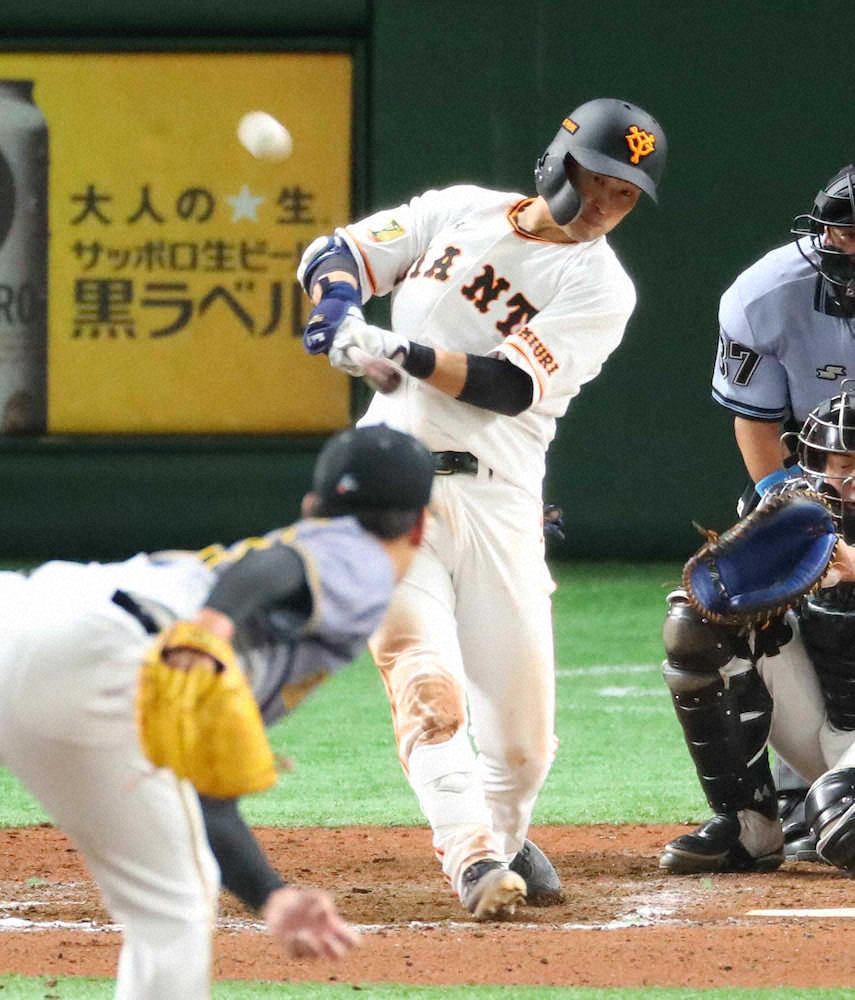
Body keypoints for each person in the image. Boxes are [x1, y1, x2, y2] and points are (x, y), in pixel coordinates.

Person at [298, 97, 668, 918]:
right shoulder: (458, 211)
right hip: (390, 496)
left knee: (523, 748)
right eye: (599, 179)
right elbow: (339, 252)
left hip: (498, 501)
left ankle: (501, 839)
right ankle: (471, 858)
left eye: (626, 194)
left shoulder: (599, 286)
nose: (607, 204)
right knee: (425, 683)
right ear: (559, 162)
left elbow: (504, 385)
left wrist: (395, 349)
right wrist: (336, 311)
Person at [0, 424, 434, 999]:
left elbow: (200, 790)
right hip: (105, 652)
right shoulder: (365, 557)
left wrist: (269, 894)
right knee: (172, 911)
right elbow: (279, 565)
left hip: (27, 605)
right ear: (420, 526)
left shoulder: (293, 563)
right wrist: (213, 623)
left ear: (311, 504)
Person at [711, 163, 855, 856]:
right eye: (838, 231)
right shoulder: (765, 295)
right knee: (714, 618)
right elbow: (759, 421)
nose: (840, 244)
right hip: (819, 464)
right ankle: (769, 807)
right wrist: (789, 508)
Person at [659, 388, 855, 875]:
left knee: (841, 821)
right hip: (825, 726)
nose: (851, 483)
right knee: (696, 627)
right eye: (842, 464)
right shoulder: (797, 519)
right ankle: (749, 823)